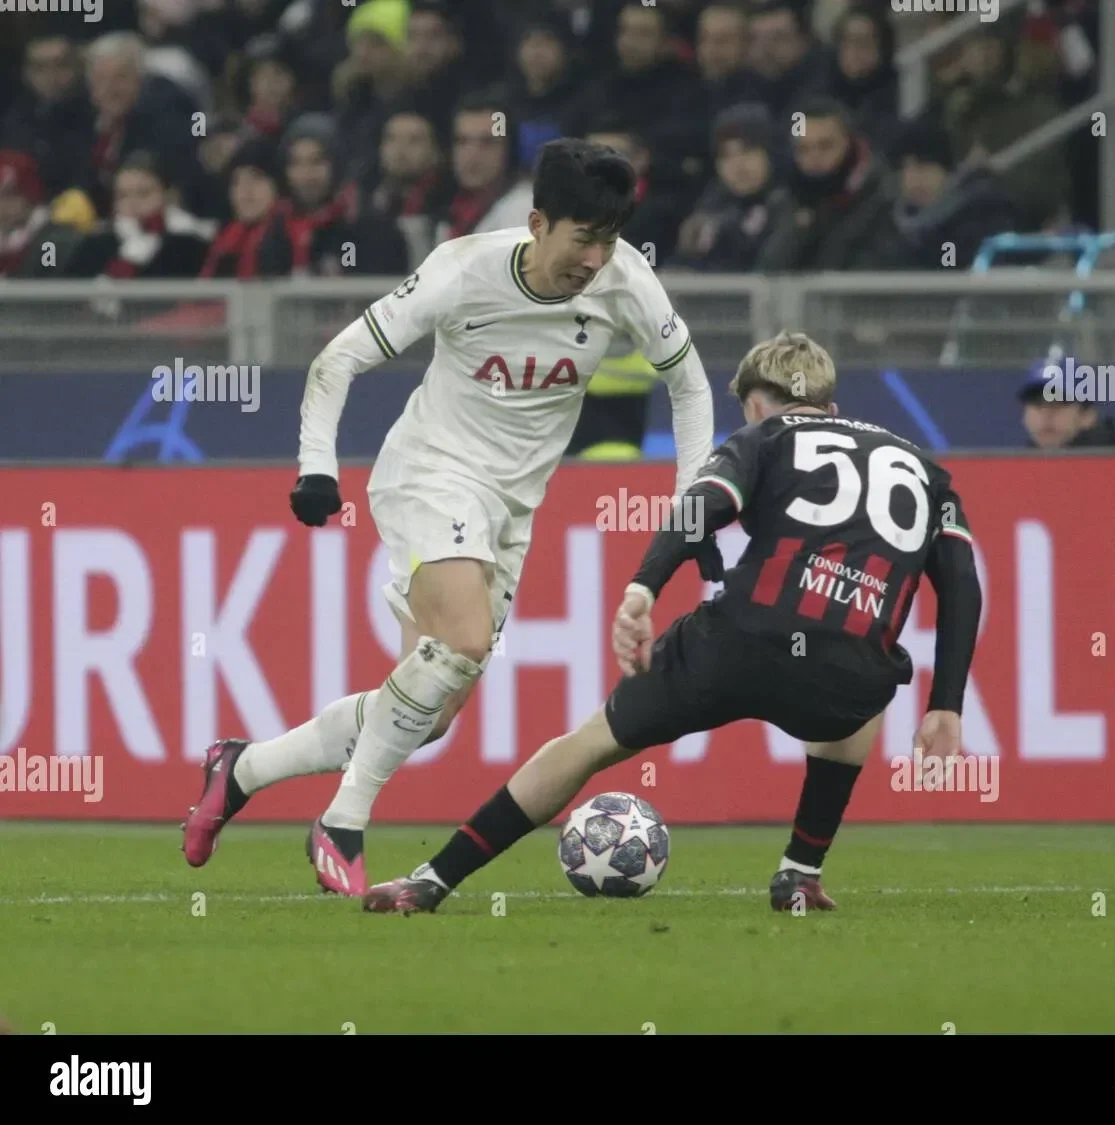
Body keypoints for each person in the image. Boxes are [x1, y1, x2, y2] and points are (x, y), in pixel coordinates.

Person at [180, 138, 720, 894]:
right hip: (429, 474)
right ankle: (344, 817)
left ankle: (242, 767)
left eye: (608, 239)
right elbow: (336, 360)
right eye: (582, 239)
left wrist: (691, 503)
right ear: (537, 222)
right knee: (462, 640)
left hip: (510, 511)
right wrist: (316, 468)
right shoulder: (462, 270)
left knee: (429, 712)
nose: (595, 259)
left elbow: (690, 387)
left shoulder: (627, 280)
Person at [360, 331, 983, 916]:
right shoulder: (926, 469)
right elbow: (960, 582)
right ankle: (800, 870)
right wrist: (947, 704)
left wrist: (643, 587)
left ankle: (433, 880)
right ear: (831, 403)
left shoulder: (765, 436)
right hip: (848, 670)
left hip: (738, 644)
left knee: (588, 746)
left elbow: (702, 508)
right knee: (866, 684)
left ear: (757, 402)